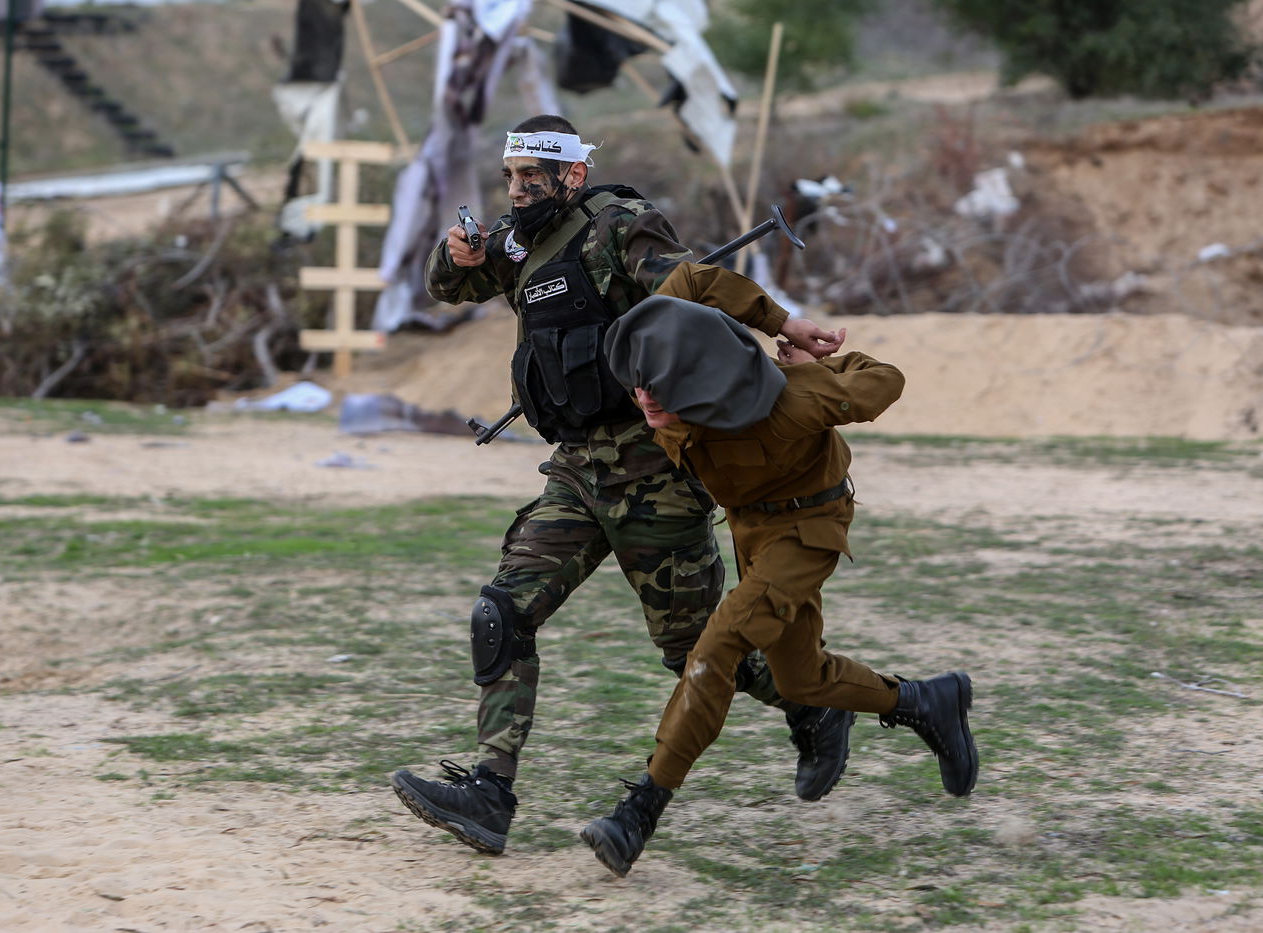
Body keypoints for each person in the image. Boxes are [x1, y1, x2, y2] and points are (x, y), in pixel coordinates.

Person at [388, 114, 855, 856]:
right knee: (501, 613)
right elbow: (452, 288)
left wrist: (784, 322)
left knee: (696, 651)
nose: (516, 190)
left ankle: (816, 703)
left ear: (572, 175)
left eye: (530, 177)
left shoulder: (618, 228)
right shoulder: (521, 240)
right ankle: (490, 790)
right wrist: (454, 255)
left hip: (653, 471)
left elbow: (694, 285)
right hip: (576, 468)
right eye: (509, 177)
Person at [581, 282, 979, 878]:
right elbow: (689, 283)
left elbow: (885, 380)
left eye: (659, 387)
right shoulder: (662, 357)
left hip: (809, 527)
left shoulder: (791, 401)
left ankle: (639, 810)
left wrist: (820, 359)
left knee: (716, 650)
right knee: (801, 677)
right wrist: (780, 320)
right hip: (750, 534)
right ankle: (926, 701)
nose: (645, 397)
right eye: (640, 382)